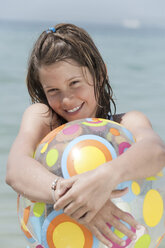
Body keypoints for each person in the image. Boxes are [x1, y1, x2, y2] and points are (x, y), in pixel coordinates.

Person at [6, 23, 165, 248]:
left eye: (75, 83)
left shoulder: (127, 124)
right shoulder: (44, 119)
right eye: (53, 91)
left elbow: (156, 152)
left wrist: (103, 179)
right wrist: (77, 200)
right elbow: (15, 169)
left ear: (100, 74)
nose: (67, 100)